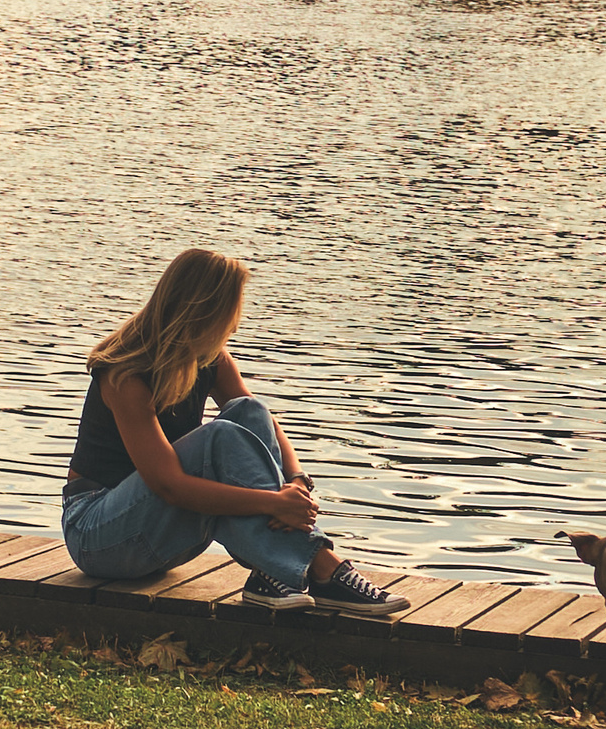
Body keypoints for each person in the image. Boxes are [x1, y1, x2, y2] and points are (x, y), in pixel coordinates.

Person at [60, 249, 406, 618]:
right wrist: (273, 504)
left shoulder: (211, 359)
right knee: (219, 438)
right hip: (99, 537)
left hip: (161, 536)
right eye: (232, 312)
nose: (236, 324)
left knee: (248, 411)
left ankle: (268, 572)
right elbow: (169, 486)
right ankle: (324, 567)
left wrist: (296, 482)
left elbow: (261, 421)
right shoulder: (125, 376)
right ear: (206, 310)